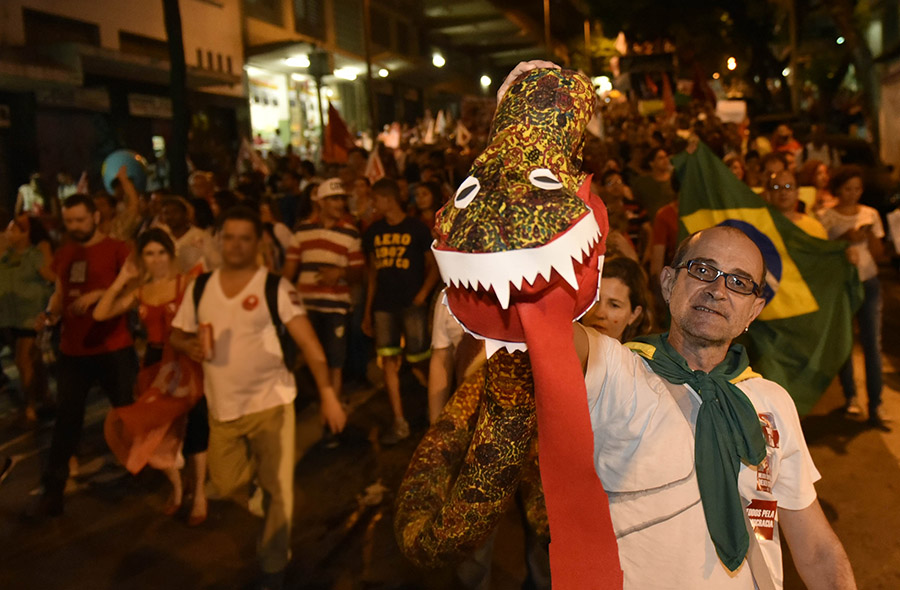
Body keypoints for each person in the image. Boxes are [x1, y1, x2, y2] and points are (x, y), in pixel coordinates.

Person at [573, 225, 856, 589]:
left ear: (754, 311)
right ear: (669, 283)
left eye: (739, 282)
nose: (718, 290)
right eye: (703, 270)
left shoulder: (772, 401)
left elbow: (817, 550)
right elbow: (546, 331)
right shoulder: (615, 370)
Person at [169, 206, 346, 589]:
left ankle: (272, 568)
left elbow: (311, 346)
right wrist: (188, 344)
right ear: (219, 241)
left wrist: (329, 396)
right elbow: (176, 334)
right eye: (228, 237)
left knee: (278, 489)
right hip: (223, 409)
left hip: (271, 405)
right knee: (227, 482)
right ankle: (259, 495)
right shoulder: (199, 288)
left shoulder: (274, 287)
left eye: (244, 238)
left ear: (257, 243)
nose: (235, 245)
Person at [92, 229, 208, 524]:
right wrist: (122, 279)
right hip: (156, 364)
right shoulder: (140, 292)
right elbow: (100, 314)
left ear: (170, 254)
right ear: (141, 258)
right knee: (152, 431)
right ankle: (178, 486)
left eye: (161, 253)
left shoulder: (188, 283)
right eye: (149, 254)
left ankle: (199, 495)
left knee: (195, 427)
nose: (156, 260)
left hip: (187, 360)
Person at [33, 194, 138, 517]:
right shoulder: (64, 253)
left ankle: (146, 471)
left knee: (128, 413)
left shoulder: (119, 249)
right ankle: (53, 492)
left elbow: (133, 293)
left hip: (114, 347)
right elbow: (60, 293)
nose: (75, 227)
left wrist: (99, 295)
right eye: (69, 222)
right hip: (72, 350)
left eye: (80, 220)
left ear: (95, 217)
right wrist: (49, 315)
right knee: (67, 420)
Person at [362, 178, 439, 444]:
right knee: (389, 363)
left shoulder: (416, 228)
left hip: (411, 304)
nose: (373, 204)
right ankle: (399, 421)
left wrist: (422, 295)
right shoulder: (373, 232)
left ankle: (437, 411)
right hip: (384, 305)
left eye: (376, 199)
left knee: (419, 358)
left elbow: (433, 265)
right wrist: (368, 310)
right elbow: (372, 273)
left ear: (388, 199)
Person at [282, 178, 365, 402]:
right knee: (306, 358)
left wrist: (339, 273)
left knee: (335, 362)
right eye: (334, 199)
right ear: (321, 202)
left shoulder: (351, 234)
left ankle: (331, 413)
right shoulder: (302, 231)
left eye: (341, 199)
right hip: (306, 307)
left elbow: (358, 273)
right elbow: (289, 270)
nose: (339, 204)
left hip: (335, 308)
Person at [818, 166, 887, 429]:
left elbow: (879, 255)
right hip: (841, 287)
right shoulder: (826, 217)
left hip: (869, 283)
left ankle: (876, 404)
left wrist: (869, 236)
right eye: (848, 189)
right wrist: (844, 239)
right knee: (845, 343)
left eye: (857, 189)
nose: (853, 194)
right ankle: (851, 397)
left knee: (873, 345)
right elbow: (821, 254)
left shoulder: (871, 214)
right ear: (837, 190)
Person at [0, 215, 55, 424]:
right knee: (34, 360)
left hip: (32, 316)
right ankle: (46, 398)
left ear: (26, 233)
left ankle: (30, 405)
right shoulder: (7, 256)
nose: (9, 232)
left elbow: (51, 276)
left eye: (14, 229)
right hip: (12, 317)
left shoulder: (35, 254)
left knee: (22, 360)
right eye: (8, 228)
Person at [579, 256, 652, 342]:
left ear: (634, 314)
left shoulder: (637, 355)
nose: (599, 313)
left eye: (614, 305)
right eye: (593, 301)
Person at [159, 196, 220, 274]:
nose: (170, 216)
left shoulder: (201, 235)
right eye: (166, 213)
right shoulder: (162, 237)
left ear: (185, 214)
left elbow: (214, 263)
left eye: (175, 212)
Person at [764, 170, 827, 238]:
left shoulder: (814, 227)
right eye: (776, 187)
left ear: (797, 192)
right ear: (769, 194)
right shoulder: (760, 225)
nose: (783, 192)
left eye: (788, 187)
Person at [630, 147, 676, 221]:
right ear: (652, 163)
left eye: (666, 157)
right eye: (660, 158)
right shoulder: (642, 183)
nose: (665, 160)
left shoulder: (674, 180)